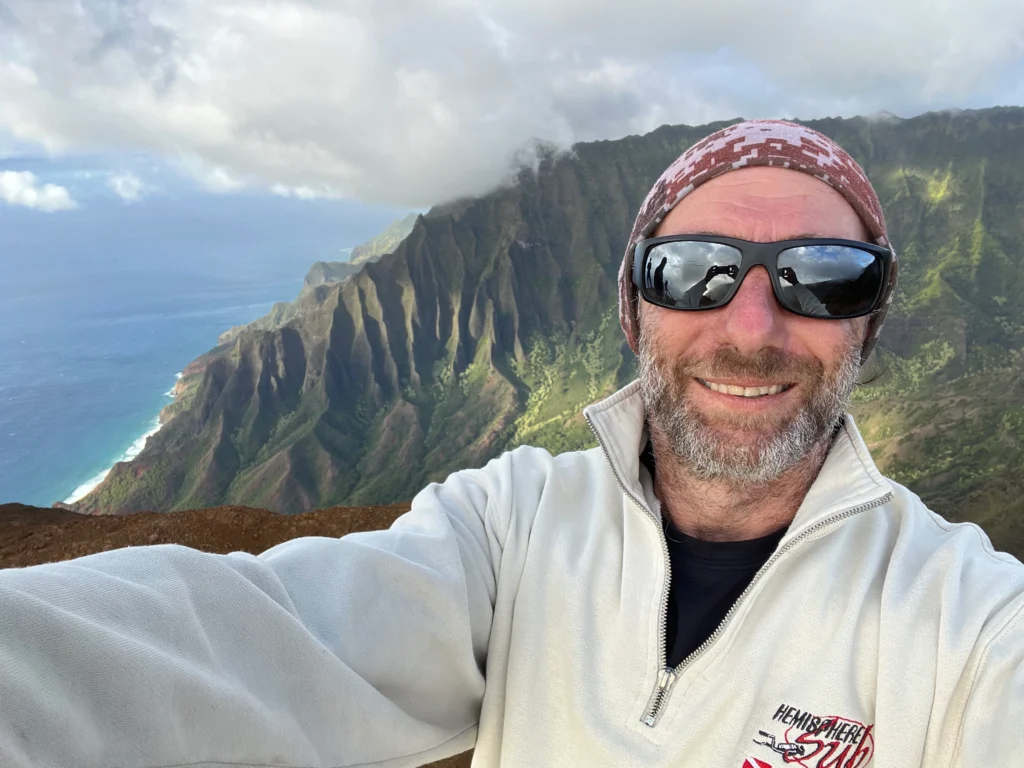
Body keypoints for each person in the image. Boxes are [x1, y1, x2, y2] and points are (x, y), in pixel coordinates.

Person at [1, 120, 1022, 768]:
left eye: (826, 277)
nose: (751, 328)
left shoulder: (966, 622)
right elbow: (254, 638)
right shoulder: (508, 526)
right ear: (634, 307)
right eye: (692, 271)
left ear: (870, 322)